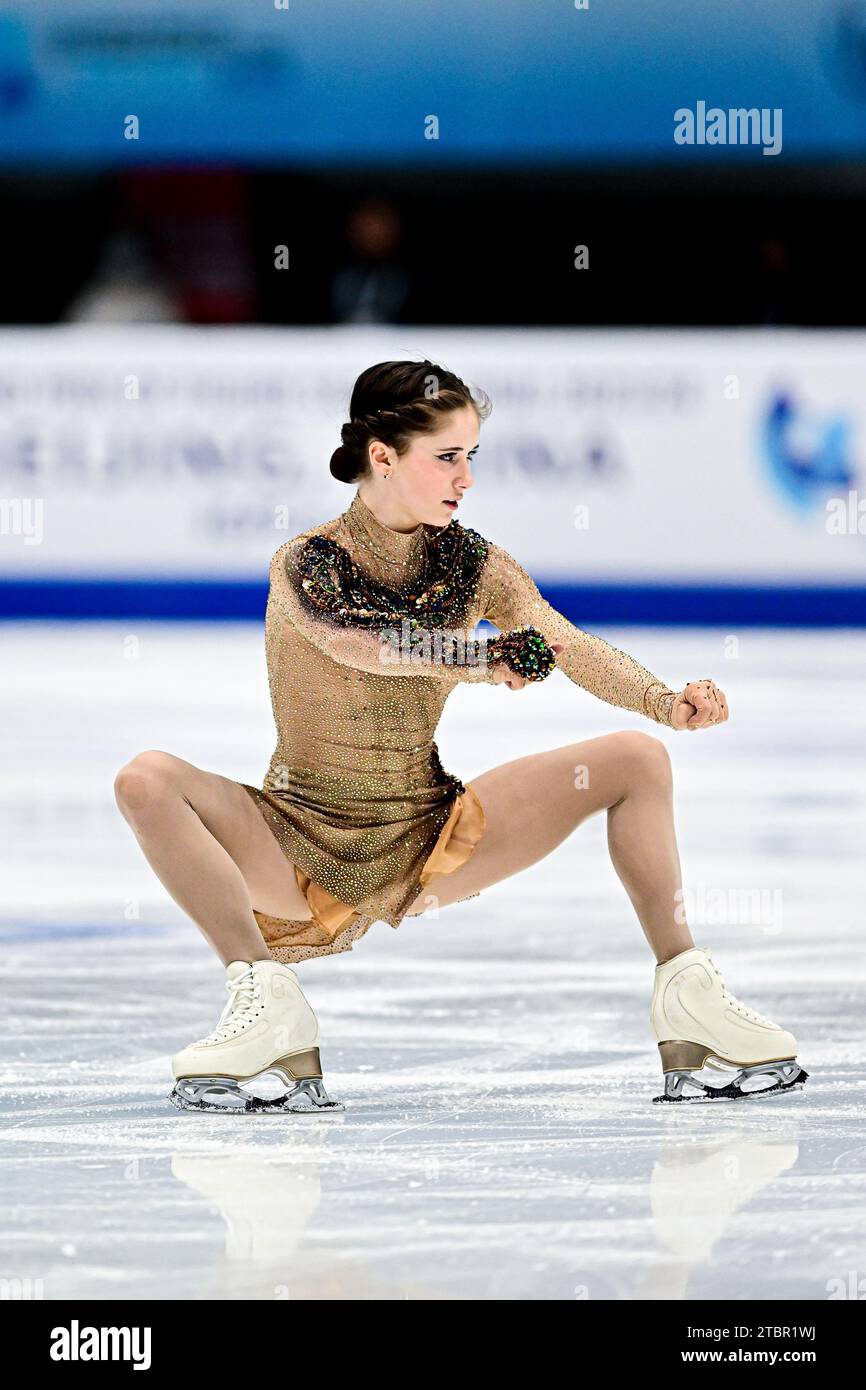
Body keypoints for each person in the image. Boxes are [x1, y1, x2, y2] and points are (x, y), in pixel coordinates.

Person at [114, 358, 808, 1111]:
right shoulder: (309, 563)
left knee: (636, 761)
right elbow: (363, 643)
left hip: (431, 837)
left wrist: (664, 701)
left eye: (470, 457)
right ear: (383, 457)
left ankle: (690, 999)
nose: (465, 478)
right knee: (145, 779)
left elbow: (565, 643)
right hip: (297, 842)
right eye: (447, 457)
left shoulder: (470, 561)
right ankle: (266, 1000)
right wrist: (477, 659)